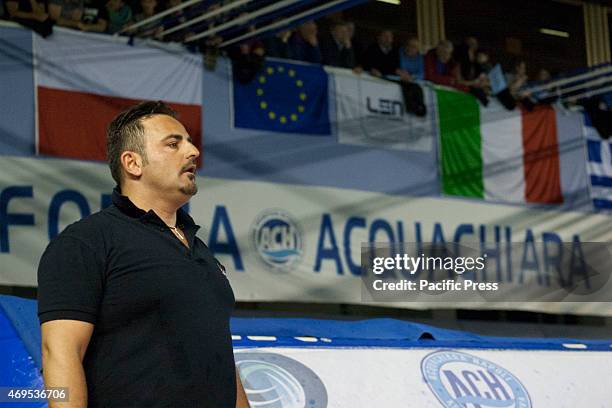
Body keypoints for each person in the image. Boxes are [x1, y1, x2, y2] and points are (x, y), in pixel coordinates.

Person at [38, 101, 250, 408]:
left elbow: (220, 358)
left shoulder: (201, 252)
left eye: (189, 142)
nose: (193, 152)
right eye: (173, 144)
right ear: (133, 163)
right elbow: (59, 353)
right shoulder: (85, 242)